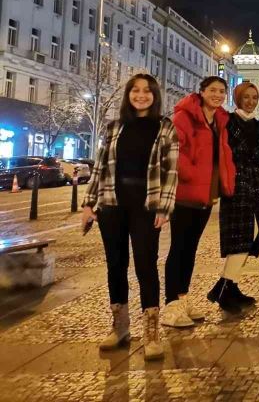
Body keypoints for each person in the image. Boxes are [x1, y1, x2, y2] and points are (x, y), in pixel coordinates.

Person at [81, 73, 178, 360]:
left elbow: (171, 172)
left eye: (147, 91)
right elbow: (99, 168)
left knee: (146, 266)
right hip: (112, 204)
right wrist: (88, 204)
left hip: (146, 206)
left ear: (155, 95)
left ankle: (151, 333)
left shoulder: (165, 127)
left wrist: (165, 208)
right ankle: (120, 325)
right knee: (115, 265)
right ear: (128, 95)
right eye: (135, 90)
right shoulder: (114, 127)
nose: (141, 95)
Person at [163, 77, 236, 327]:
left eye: (221, 91)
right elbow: (173, 150)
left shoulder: (218, 121)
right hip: (185, 193)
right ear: (202, 92)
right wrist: (193, 175)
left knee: (190, 250)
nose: (217, 95)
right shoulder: (184, 117)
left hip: (205, 194)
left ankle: (182, 299)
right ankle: (171, 305)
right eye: (212, 90)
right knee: (178, 249)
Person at [207, 82, 259, 313]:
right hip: (235, 184)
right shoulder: (228, 123)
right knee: (239, 239)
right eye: (246, 97)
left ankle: (230, 287)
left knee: (248, 237)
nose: (250, 101)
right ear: (238, 98)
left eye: (254, 97)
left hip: (254, 183)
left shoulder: (257, 125)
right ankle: (222, 290)